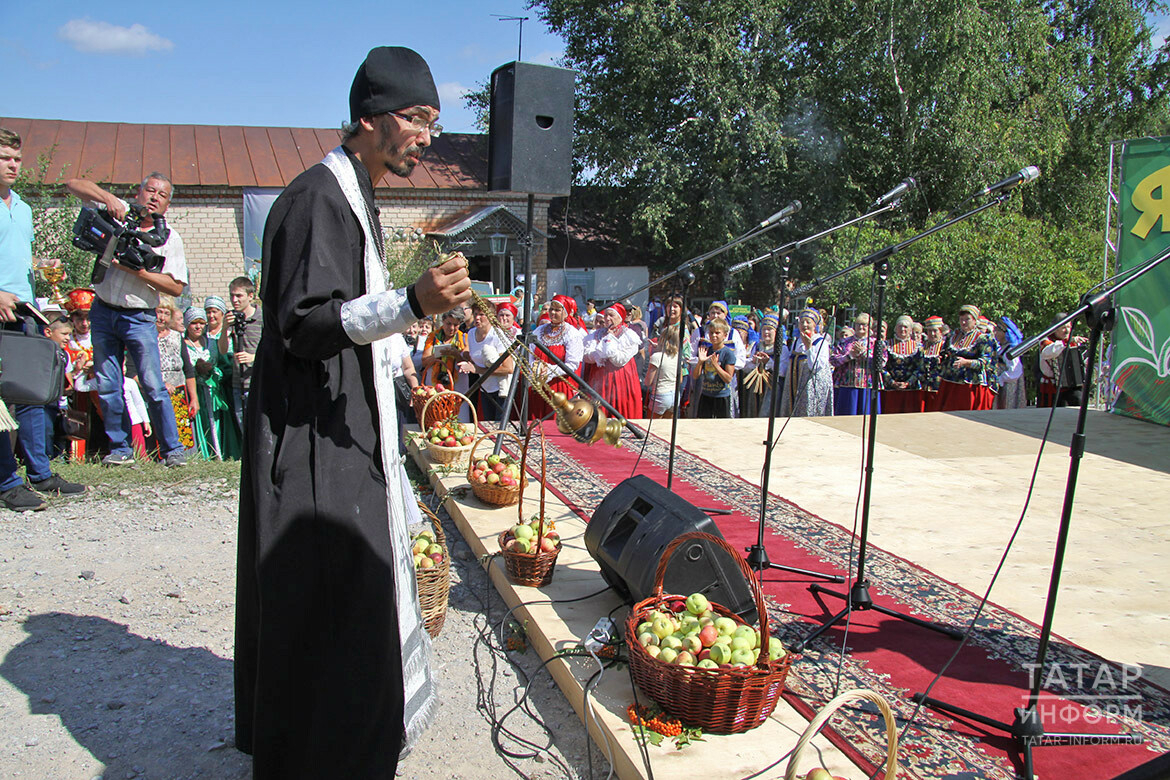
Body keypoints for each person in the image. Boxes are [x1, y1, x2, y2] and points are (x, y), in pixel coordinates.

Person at [235, 46, 469, 779]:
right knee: (331, 594)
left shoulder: (356, 196)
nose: (426, 135)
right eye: (415, 117)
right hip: (310, 438)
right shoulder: (315, 199)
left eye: (434, 119)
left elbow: (345, 316)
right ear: (367, 118)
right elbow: (303, 323)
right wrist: (409, 303)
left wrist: (413, 336)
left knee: (352, 595)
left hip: (344, 423)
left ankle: (346, 743)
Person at [65, 170, 188, 467]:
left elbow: (176, 286)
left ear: (167, 205)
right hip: (104, 309)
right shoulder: (118, 211)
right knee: (108, 383)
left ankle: (172, 450)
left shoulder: (169, 238)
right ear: (139, 192)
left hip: (139, 316)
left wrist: (139, 271)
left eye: (162, 195)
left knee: (152, 384)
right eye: (150, 190)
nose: (154, 197)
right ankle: (119, 449)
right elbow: (72, 184)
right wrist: (107, 198)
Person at [1, 127, 85, 510]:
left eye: (17, 159)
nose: (13, 165)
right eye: (5, 158)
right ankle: (6, 482)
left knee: (34, 393)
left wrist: (41, 267)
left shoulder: (22, 206)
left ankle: (40, 473)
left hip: (25, 310)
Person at [583, 302, 644, 420]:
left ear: (620, 317)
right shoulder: (597, 334)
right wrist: (598, 355)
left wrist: (608, 345)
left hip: (621, 378)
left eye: (611, 315)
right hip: (599, 378)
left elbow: (620, 360)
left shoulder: (629, 336)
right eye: (605, 315)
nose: (607, 318)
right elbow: (586, 355)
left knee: (620, 407)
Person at [528, 294, 584, 421]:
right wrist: (536, 369)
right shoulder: (539, 330)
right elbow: (530, 353)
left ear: (566, 313)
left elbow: (572, 364)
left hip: (560, 387)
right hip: (539, 386)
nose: (552, 312)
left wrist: (549, 370)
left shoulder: (571, 334)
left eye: (557, 310)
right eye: (551, 309)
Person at [458, 301, 515, 421]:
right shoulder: (471, 333)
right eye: (475, 314)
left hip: (501, 390)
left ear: (490, 316)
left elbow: (508, 368)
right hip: (485, 388)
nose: (477, 318)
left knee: (498, 427)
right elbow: (474, 357)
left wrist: (476, 370)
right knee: (488, 424)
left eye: (482, 314)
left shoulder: (497, 335)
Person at [219, 276, 263, 432]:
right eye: (232, 295)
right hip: (238, 382)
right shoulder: (232, 318)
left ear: (250, 296)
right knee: (244, 429)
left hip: (258, 382)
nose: (234, 300)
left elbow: (274, 349)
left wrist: (254, 358)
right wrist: (224, 328)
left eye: (239, 296)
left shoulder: (262, 318)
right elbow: (223, 350)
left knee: (259, 428)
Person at [938, 304, 999, 411]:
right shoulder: (953, 336)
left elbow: (985, 362)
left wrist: (966, 362)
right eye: (961, 319)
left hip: (969, 384)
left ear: (975, 321)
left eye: (967, 319)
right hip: (950, 382)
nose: (964, 322)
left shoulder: (983, 338)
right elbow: (944, 353)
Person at [180, 307, 223, 460]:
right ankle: (202, 454)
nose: (198, 327)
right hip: (195, 389)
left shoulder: (211, 342)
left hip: (212, 390)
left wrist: (212, 369)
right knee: (198, 421)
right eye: (194, 323)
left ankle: (217, 452)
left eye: (201, 323)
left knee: (215, 421)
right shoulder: (183, 344)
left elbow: (220, 363)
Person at [778, 308, 834, 417]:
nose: (804, 325)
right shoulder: (796, 342)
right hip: (793, 386)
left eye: (808, 322)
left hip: (812, 387)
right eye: (802, 322)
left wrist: (809, 348)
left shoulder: (820, 342)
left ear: (815, 325)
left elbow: (816, 366)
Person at [831, 312, 884, 415]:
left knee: (866, 415)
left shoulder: (876, 343)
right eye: (858, 324)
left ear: (870, 327)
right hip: (847, 384)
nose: (861, 327)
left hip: (868, 384)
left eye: (864, 324)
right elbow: (833, 360)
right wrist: (849, 356)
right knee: (847, 414)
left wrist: (864, 353)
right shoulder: (845, 342)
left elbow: (881, 362)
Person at [1038, 314, 1088, 408]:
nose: (1067, 331)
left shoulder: (1073, 341)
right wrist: (1067, 342)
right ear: (1055, 329)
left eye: (1069, 327)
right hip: (1052, 387)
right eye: (1063, 328)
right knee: (1048, 413)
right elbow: (1048, 352)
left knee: (1078, 401)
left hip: (1071, 386)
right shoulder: (1046, 340)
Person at [691, 319, 736, 418]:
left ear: (724, 335)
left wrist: (716, 365)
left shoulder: (728, 353)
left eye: (717, 333)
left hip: (721, 396)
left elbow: (728, 379)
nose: (714, 336)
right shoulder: (707, 350)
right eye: (711, 333)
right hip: (706, 394)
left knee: (721, 426)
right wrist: (700, 361)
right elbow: (695, 375)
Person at [881, 315, 922, 414]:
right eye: (900, 326)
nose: (903, 329)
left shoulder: (918, 347)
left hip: (911, 390)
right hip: (891, 390)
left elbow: (920, 367)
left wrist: (908, 383)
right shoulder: (887, 345)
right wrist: (892, 382)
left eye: (906, 327)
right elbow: (882, 366)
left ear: (911, 330)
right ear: (895, 328)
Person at [644, 323, 683, 418]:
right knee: (667, 427)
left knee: (653, 426)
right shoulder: (678, 356)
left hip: (660, 395)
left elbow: (648, 382)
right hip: (674, 395)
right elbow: (680, 379)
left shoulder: (656, 357)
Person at [993, 315, 1027, 409]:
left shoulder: (1010, 350)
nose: (995, 333)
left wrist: (1001, 379)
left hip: (1009, 387)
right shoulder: (1002, 347)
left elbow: (1015, 371)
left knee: (1008, 406)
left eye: (998, 331)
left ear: (1005, 333)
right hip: (1003, 385)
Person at [918, 315, 946, 412]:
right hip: (923, 389)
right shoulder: (922, 347)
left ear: (940, 331)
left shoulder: (945, 346)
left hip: (939, 389)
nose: (932, 334)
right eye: (929, 331)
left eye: (935, 331)